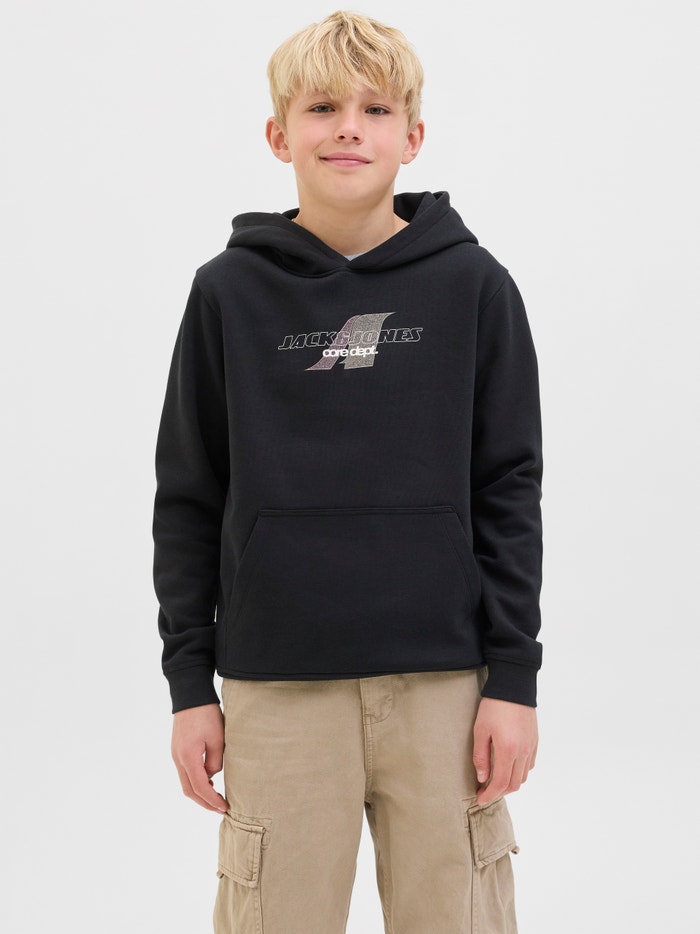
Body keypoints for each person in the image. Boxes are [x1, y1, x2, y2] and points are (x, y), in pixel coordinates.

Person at [152, 10, 543, 933]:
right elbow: (190, 494)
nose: (348, 130)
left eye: (376, 109)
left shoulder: (474, 287)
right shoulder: (227, 292)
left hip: (445, 687)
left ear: (413, 135)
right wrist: (189, 686)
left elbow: (508, 489)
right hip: (277, 688)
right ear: (278, 133)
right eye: (322, 107)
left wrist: (514, 679)